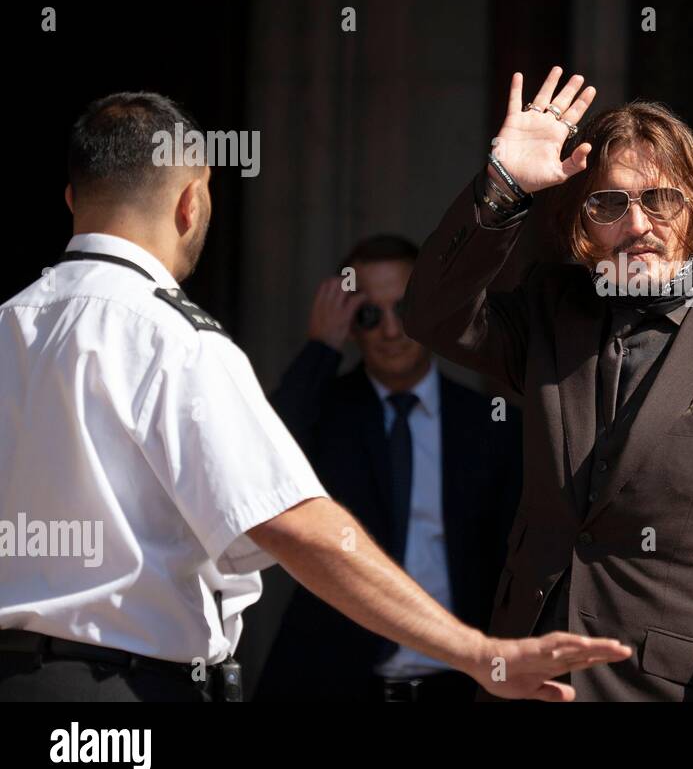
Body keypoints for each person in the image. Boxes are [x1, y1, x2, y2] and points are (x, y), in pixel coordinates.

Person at [0, 91, 629, 702]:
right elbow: (297, 526)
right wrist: (477, 653)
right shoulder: (170, 340)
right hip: (123, 696)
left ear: (71, 199)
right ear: (191, 201)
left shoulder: (9, 325)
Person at [402, 68, 693, 701]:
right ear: (584, 221)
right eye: (610, 203)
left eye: (660, 198)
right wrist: (505, 188)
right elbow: (430, 316)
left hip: (665, 688)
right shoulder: (553, 309)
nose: (638, 224)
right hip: (527, 675)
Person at [257, 234, 523, 702]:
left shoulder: (491, 424)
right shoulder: (327, 410)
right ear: (351, 323)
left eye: (403, 308)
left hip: (461, 684)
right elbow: (261, 466)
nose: (390, 329)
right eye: (368, 313)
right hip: (337, 681)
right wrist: (321, 347)